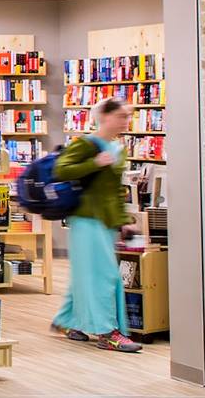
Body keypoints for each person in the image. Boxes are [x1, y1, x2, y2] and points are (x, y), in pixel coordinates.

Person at [52, 97, 143, 352]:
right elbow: (61, 170)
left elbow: (115, 190)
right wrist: (95, 163)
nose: (126, 121)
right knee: (105, 276)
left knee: (86, 274)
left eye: (128, 116)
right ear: (105, 116)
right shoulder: (87, 144)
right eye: (122, 116)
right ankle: (107, 332)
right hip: (86, 220)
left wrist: (124, 221)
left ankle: (69, 320)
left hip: (105, 222)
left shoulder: (118, 149)